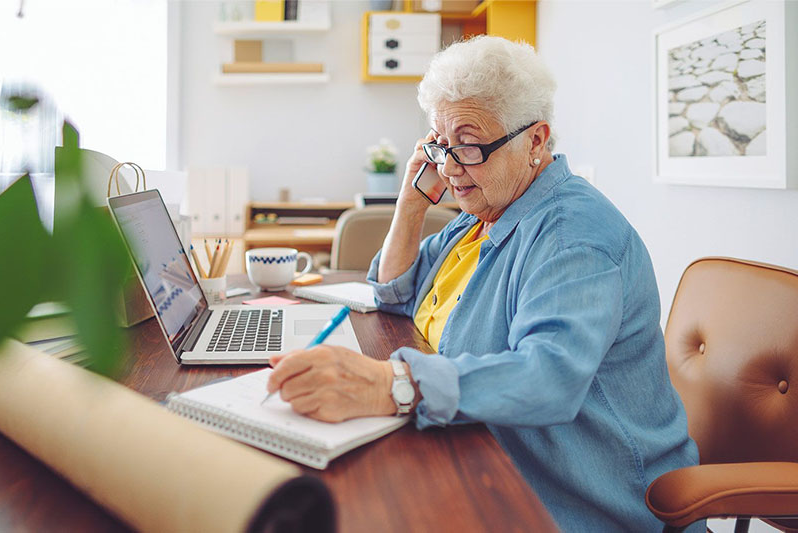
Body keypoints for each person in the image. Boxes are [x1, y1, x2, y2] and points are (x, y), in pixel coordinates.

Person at [267, 36, 700, 531]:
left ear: (535, 141)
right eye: (440, 145)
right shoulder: (485, 213)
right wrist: (411, 204)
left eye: (469, 146)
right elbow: (394, 291)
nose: (449, 168)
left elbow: (548, 377)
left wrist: (396, 386)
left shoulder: (572, 239)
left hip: (574, 498)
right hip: (483, 454)